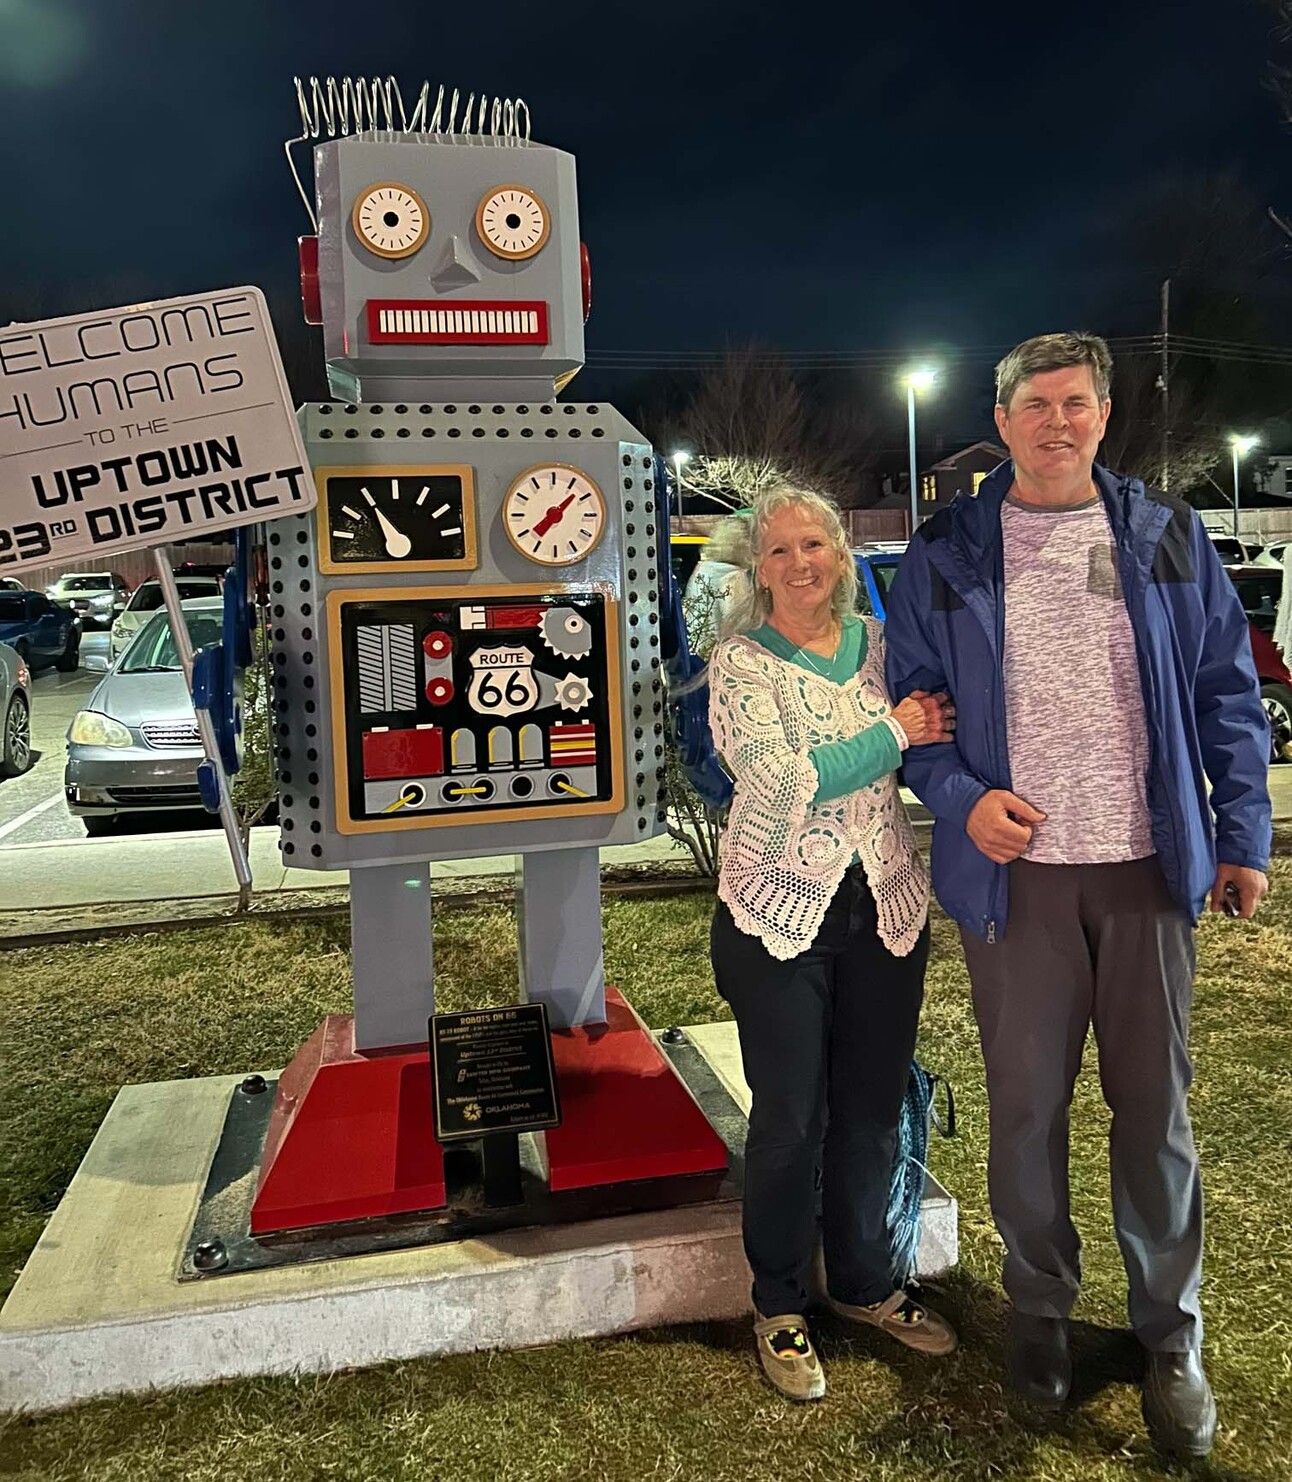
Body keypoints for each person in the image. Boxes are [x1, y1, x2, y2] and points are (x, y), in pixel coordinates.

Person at [883, 332, 1272, 1461]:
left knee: (1155, 1117)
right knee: (1024, 1114)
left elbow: (1226, 692)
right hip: (1017, 888)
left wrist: (1241, 834)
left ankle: (1170, 1337)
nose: (1058, 422)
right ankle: (1040, 1314)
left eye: (1078, 403)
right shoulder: (946, 549)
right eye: (1036, 404)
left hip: (1148, 874)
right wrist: (962, 801)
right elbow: (912, 712)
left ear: (1103, 415)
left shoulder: (1164, 534)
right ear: (1000, 421)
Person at [707, 484, 958, 1402]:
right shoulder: (741, 664)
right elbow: (778, 783)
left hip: (883, 906)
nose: (799, 563)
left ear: (841, 555)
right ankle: (778, 1302)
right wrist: (895, 731)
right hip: (778, 914)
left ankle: (864, 1283)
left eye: (813, 544)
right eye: (778, 550)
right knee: (790, 1119)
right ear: (757, 570)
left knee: (870, 1110)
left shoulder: (884, 646)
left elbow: (944, 731)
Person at [684, 512, 752, 653]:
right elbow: (739, 628)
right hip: (721, 655)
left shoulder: (701, 570)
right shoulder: (733, 576)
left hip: (697, 652)